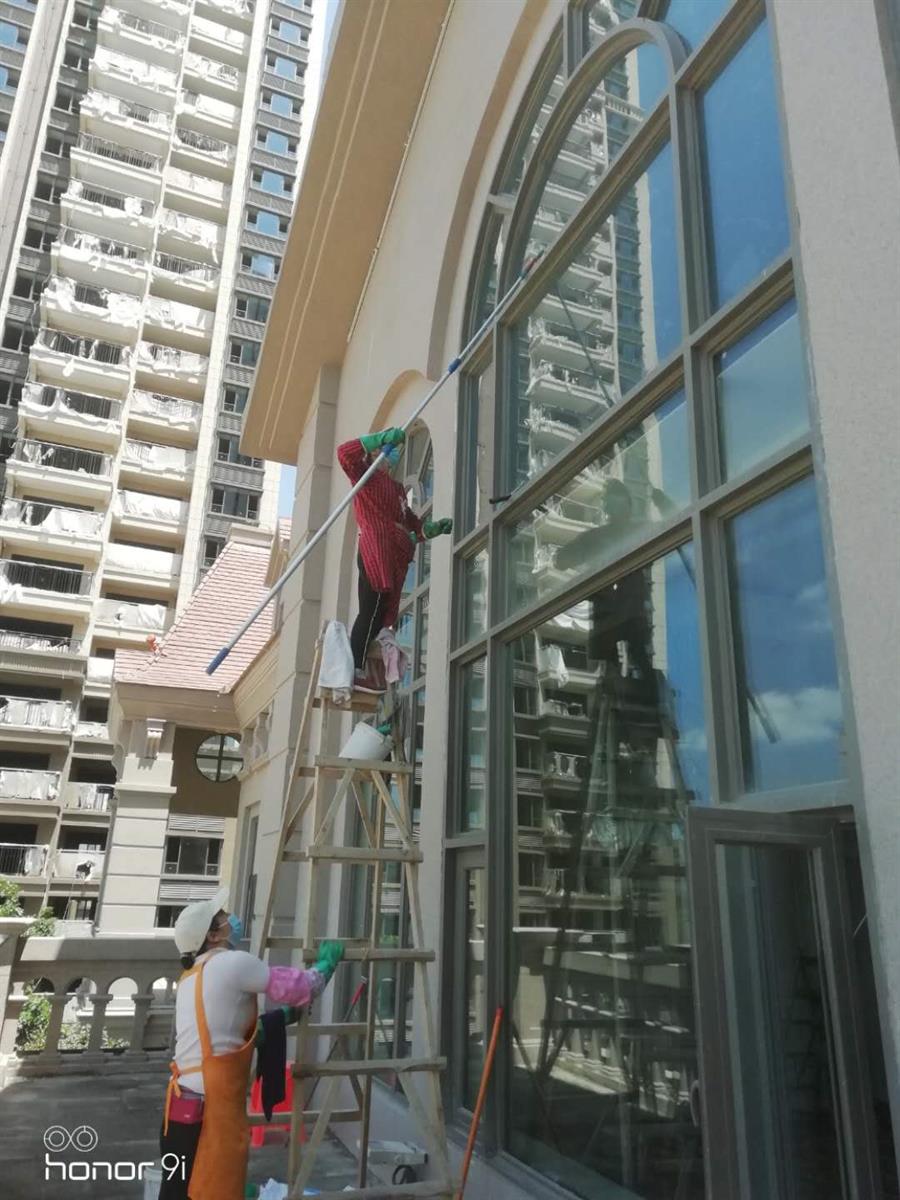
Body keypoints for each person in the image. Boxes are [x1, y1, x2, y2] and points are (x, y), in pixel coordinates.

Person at [160, 888, 343, 1200]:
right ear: (213, 936)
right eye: (221, 917)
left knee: (180, 1185)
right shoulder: (232, 963)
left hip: (181, 1103)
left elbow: (220, 1033)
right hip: (211, 1104)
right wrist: (325, 967)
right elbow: (301, 987)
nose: (229, 918)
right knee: (213, 1188)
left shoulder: (191, 976)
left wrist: (274, 1021)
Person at [337, 426, 452, 692]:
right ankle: (354, 670)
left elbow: (410, 523)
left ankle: (364, 669)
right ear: (375, 454)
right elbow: (344, 454)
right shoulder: (365, 477)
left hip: (393, 558)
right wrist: (377, 440)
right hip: (375, 551)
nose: (391, 457)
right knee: (371, 610)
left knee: (380, 616)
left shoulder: (398, 490)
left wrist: (428, 530)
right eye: (383, 451)